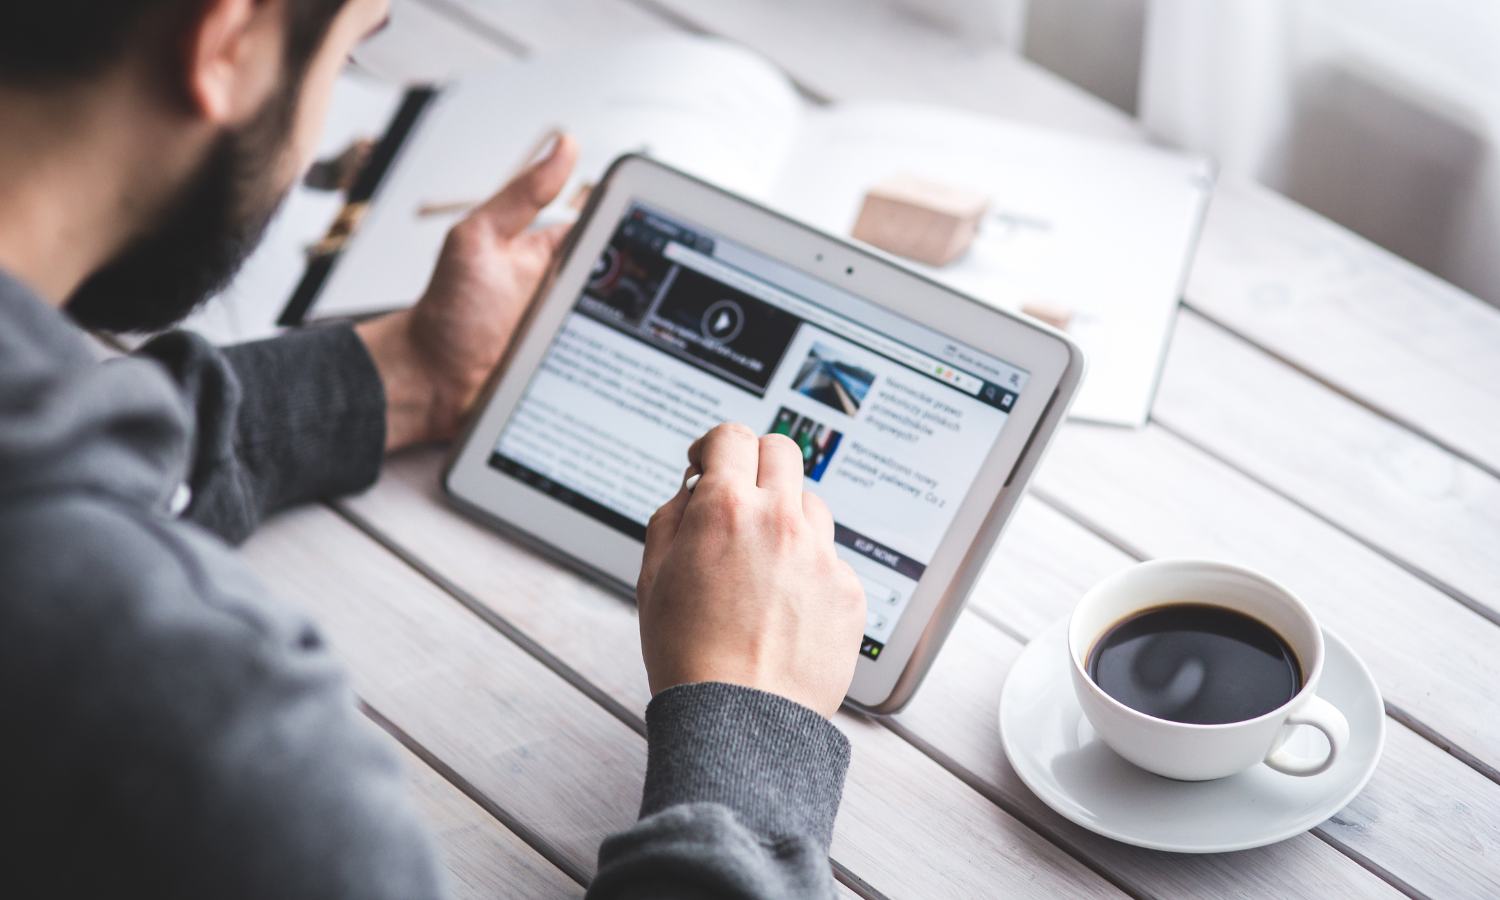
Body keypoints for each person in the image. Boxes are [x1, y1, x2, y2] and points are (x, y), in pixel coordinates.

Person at [0, 1, 868, 897]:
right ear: (227, 42)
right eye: (348, 54)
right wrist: (751, 729)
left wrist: (402, 373)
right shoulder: (212, 743)